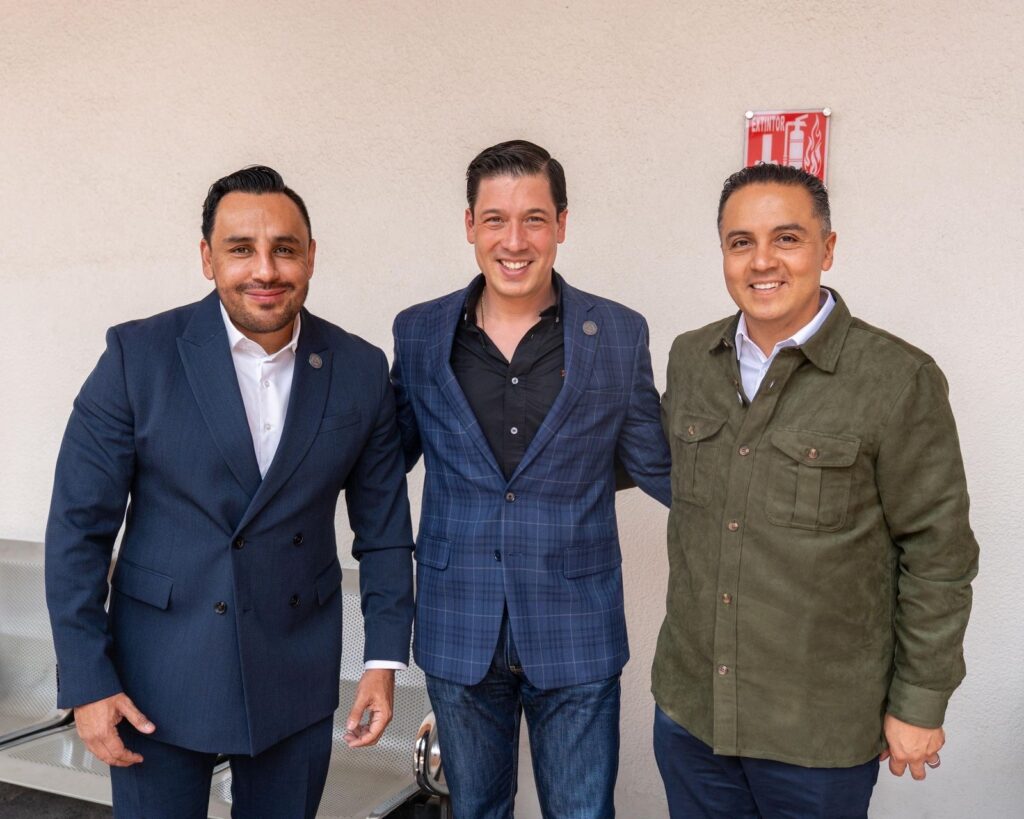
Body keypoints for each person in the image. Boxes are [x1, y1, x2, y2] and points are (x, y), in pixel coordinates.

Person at [45, 166, 415, 819]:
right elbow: (79, 528)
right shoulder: (138, 356)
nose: (265, 269)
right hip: (156, 670)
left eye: (284, 248)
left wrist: (383, 661)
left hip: (295, 666)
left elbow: (384, 531)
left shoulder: (360, 369)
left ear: (311, 256)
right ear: (207, 258)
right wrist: (87, 679)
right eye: (241, 248)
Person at [653, 163, 979, 818]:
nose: (762, 261)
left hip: (817, 734)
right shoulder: (691, 359)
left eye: (787, 238)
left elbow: (938, 555)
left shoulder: (897, 378)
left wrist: (919, 702)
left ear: (827, 249)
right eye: (741, 242)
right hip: (693, 716)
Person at [391, 140, 671, 818]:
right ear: (470, 225)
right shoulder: (420, 332)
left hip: (577, 625)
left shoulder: (619, 333)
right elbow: (383, 459)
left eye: (534, 219)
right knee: (475, 810)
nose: (514, 241)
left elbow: (660, 464)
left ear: (562, 224)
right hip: (458, 623)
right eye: (495, 219)